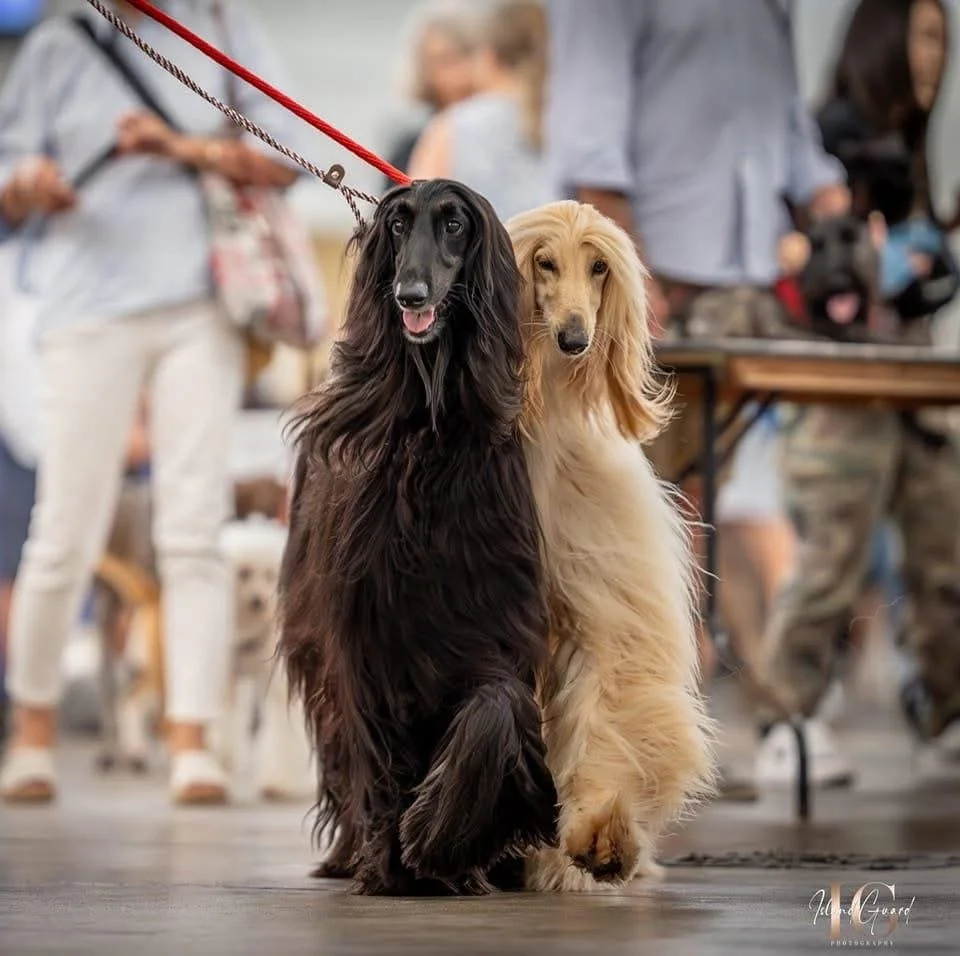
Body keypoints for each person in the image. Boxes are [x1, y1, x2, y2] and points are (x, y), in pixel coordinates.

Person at [543, 0, 851, 800]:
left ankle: (673, 742)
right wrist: (631, 291)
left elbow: (788, 133)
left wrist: (838, 218)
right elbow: (591, 146)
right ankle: (602, 754)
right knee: (623, 536)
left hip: (744, 284)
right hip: (649, 287)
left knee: (698, 518)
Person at [0, 0, 301, 805]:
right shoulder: (58, 40)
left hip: (202, 304)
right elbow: (7, 175)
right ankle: (30, 737)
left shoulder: (225, 25)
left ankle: (191, 743)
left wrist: (183, 147)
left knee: (193, 529)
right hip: (84, 306)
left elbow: (290, 151)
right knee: (63, 528)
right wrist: (27, 185)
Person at [756, 0, 960, 786]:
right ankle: (786, 715)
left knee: (942, 550)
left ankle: (941, 704)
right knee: (833, 557)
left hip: (909, 374)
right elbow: (800, 270)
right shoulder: (833, 134)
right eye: (924, 35)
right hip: (842, 380)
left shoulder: (912, 146)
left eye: (943, 37)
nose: (935, 55)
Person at [408, 0, 551, 221]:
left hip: (474, 255)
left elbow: (411, 220)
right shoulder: (560, 122)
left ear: (488, 55)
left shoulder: (451, 127)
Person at [381, 0, 482, 189]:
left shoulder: (522, 133)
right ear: (423, 71)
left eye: (464, 56)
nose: (457, 76)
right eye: (442, 61)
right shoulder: (407, 149)